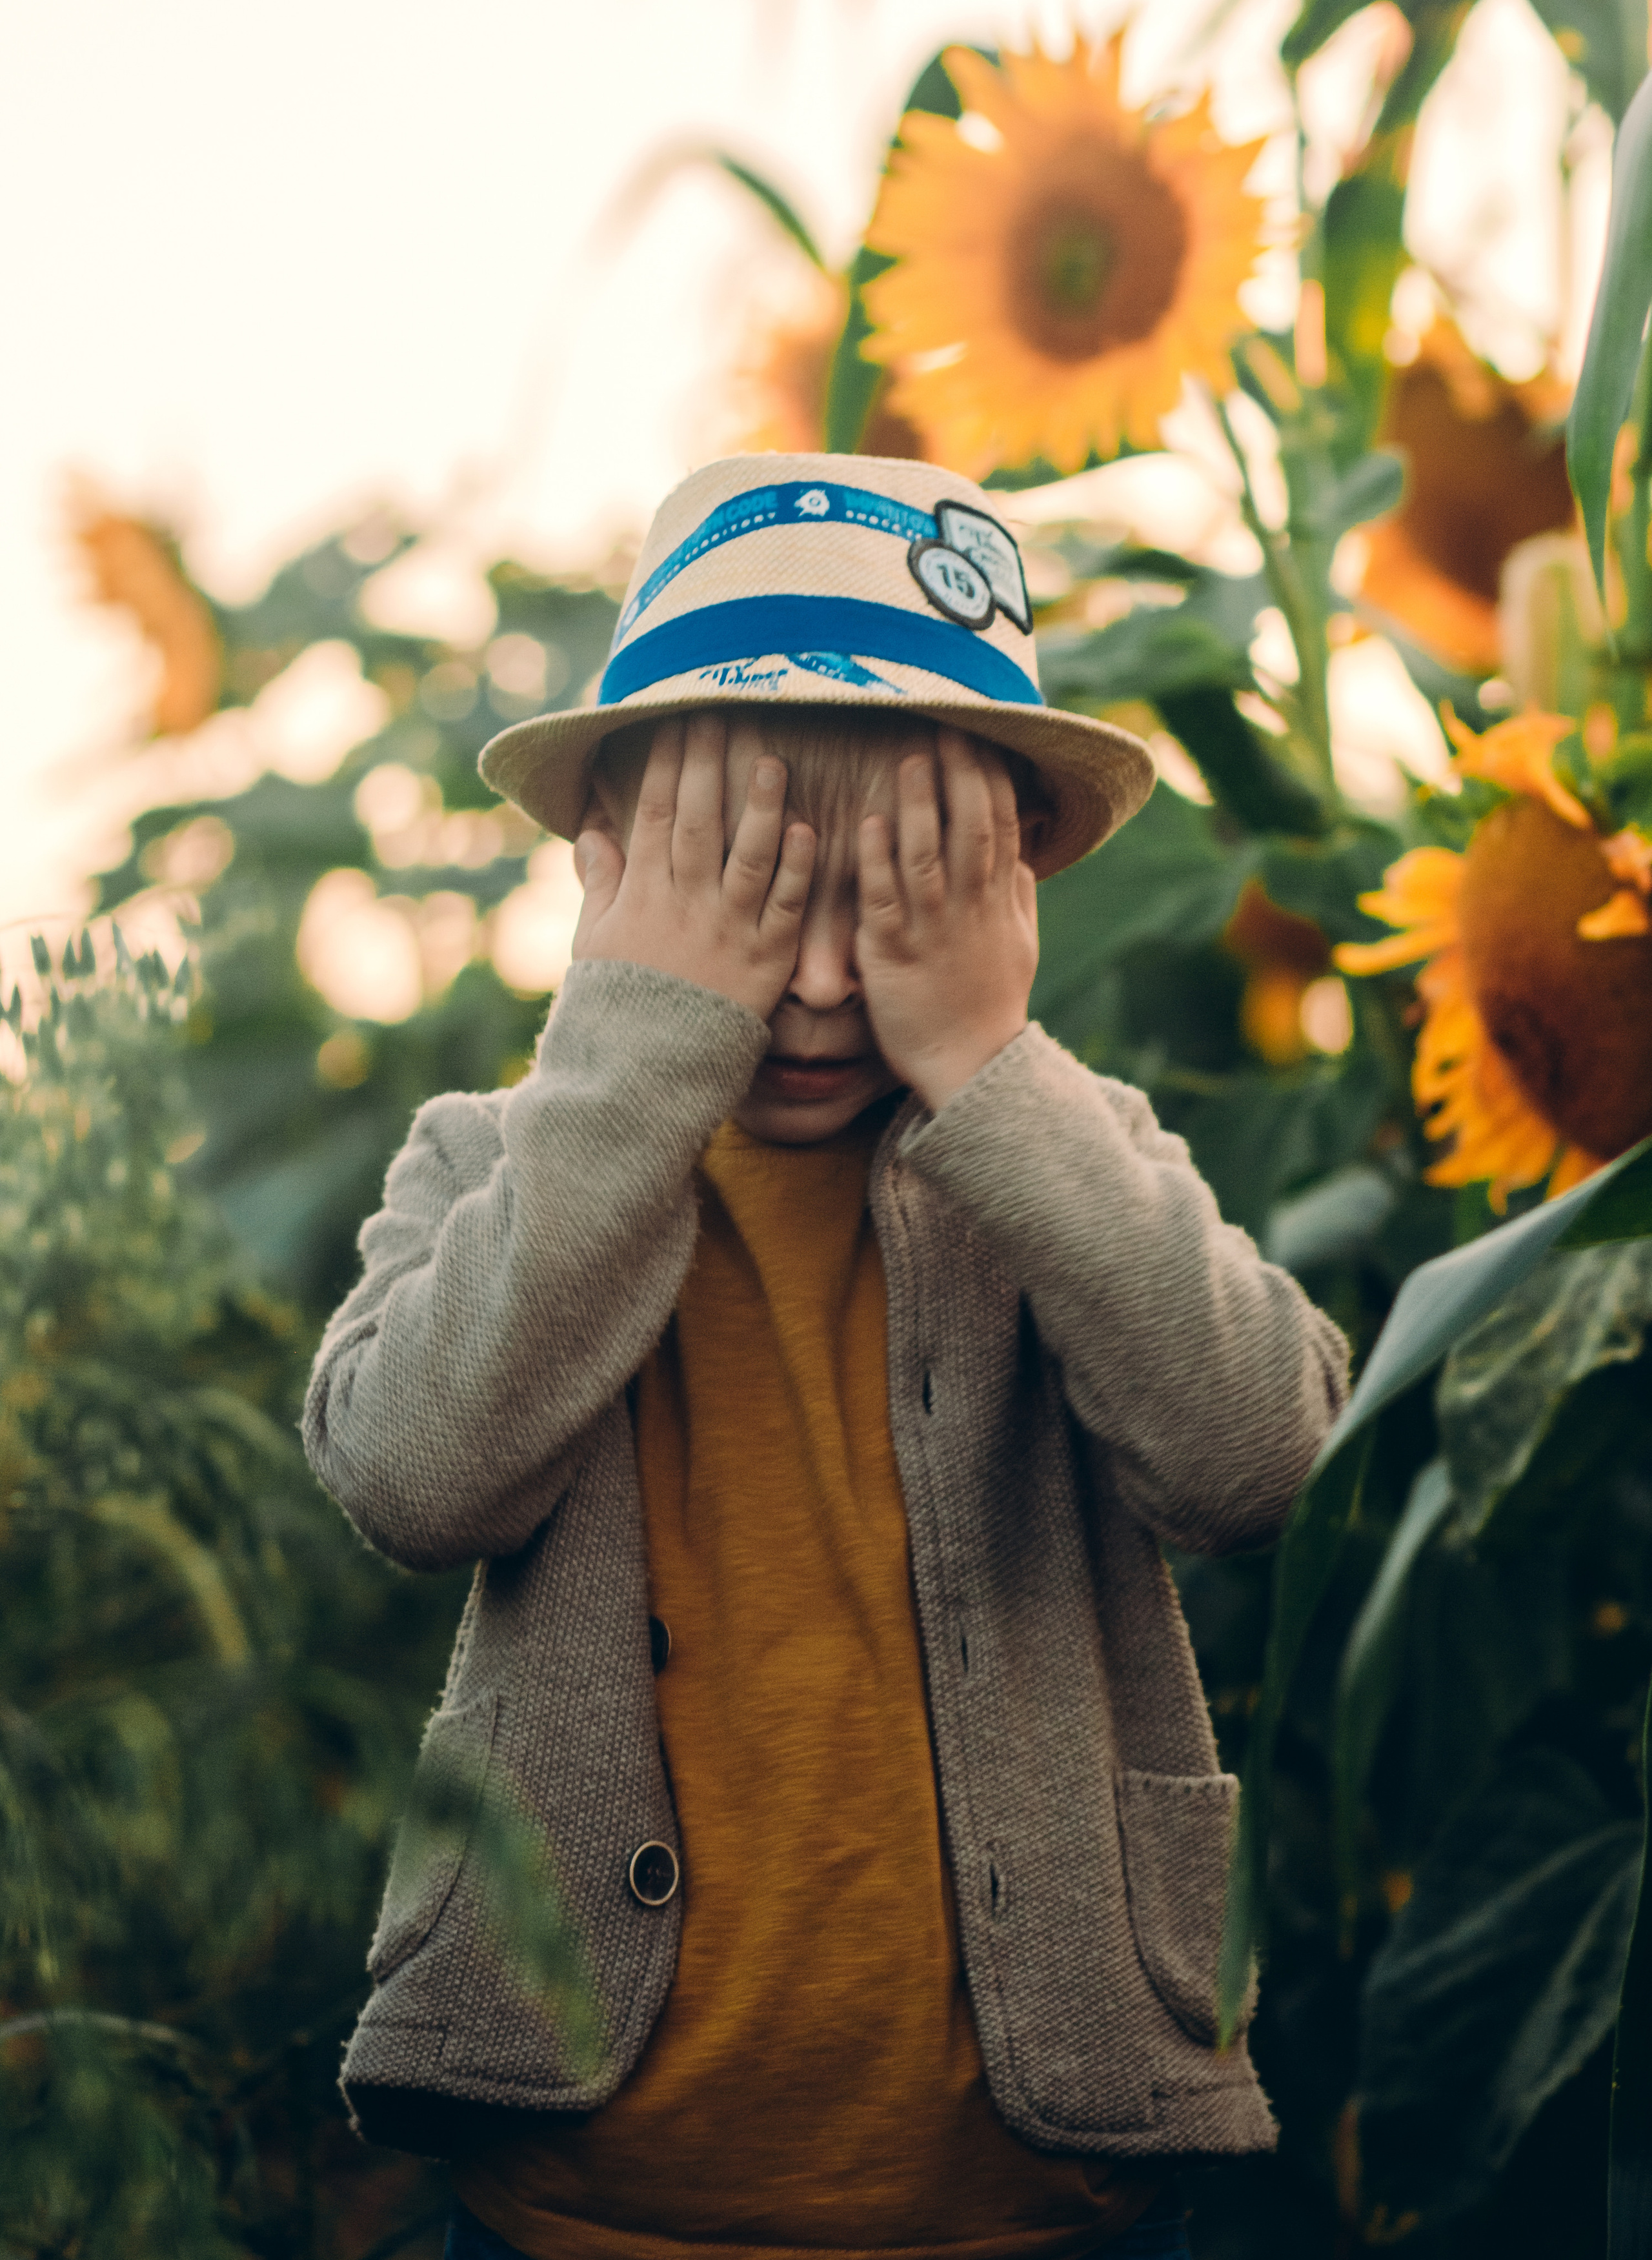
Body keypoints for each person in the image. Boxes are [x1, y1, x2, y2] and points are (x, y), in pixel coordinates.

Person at [303, 454, 1349, 2260]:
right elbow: (411, 1472)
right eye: (746, 898)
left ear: (1005, 889)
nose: (803, 987)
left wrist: (992, 1070)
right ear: (604, 878)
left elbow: (1267, 1461)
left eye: (891, 902)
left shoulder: (1064, 1159)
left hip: (1046, 2197)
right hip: (576, 2194)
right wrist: (637, 1049)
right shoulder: (497, 1163)